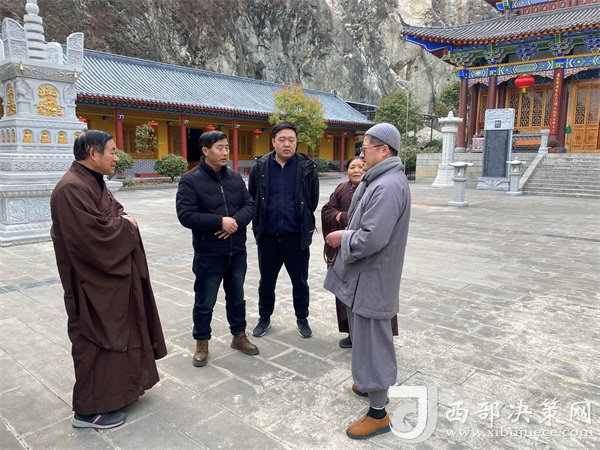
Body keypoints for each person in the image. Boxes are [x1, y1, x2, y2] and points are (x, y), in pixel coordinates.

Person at [50, 130, 167, 430]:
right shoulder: (70, 189)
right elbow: (91, 238)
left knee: (123, 334)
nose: (117, 157)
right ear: (93, 153)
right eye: (112, 151)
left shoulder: (93, 181)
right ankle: (89, 411)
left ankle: (120, 392)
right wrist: (126, 226)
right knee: (96, 339)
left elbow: (114, 212)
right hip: (91, 283)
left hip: (113, 278)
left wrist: (122, 221)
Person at [323, 123, 411, 440]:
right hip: (366, 275)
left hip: (374, 277)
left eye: (365, 149)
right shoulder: (379, 179)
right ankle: (368, 385)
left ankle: (378, 413)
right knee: (363, 336)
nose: (361, 155)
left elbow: (372, 237)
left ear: (384, 150)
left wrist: (342, 237)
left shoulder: (388, 186)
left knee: (374, 342)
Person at [176, 130, 259, 367]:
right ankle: (201, 342)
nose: (225, 152)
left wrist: (235, 222)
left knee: (237, 297)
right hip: (209, 253)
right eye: (220, 148)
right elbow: (185, 215)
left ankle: (239, 335)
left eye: (227, 147)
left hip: (237, 251)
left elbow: (249, 205)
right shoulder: (190, 180)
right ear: (205, 151)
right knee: (205, 301)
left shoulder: (234, 177)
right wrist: (219, 221)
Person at [248, 121, 319, 338]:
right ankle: (264, 318)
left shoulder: (306, 167)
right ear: (273, 142)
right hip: (268, 236)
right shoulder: (261, 167)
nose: (287, 144)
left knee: (300, 282)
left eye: (291, 140)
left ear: (296, 142)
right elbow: (253, 196)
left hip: (296, 236)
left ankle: (302, 318)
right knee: (266, 282)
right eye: (282, 140)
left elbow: (312, 199)